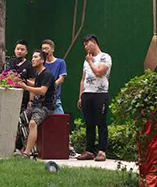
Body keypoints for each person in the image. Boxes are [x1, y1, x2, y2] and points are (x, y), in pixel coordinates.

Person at [76, 34, 112, 162]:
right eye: (84, 45)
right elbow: (83, 79)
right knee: (89, 123)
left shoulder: (105, 57)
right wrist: (81, 96)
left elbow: (99, 72)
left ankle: (102, 151)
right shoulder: (86, 60)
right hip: (87, 94)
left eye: (87, 44)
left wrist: (90, 62)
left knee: (101, 123)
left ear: (94, 42)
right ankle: (89, 151)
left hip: (100, 94)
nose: (86, 47)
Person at [16, 49, 56, 158]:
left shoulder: (47, 74)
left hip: (45, 107)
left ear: (42, 60)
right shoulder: (39, 74)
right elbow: (35, 85)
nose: (33, 59)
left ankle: (27, 152)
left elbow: (42, 90)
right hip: (35, 105)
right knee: (19, 119)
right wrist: (23, 81)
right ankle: (22, 148)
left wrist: (25, 87)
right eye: (32, 57)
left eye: (35, 57)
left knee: (33, 123)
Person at [41, 38, 75, 157]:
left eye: (47, 48)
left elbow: (61, 78)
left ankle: (68, 146)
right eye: (43, 49)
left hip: (55, 99)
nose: (45, 51)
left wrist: (51, 85)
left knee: (61, 123)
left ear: (52, 49)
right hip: (41, 100)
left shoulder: (60, 62)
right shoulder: (41, 64)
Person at [6, 39, 34, 111]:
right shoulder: (8, 63)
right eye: (18, 49)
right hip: (8, 96)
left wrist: (31, 101)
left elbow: (32, 84)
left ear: (26, 52)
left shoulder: (29, 65)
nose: (19, 51)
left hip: (23, 98)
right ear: (14, 50)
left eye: (22, 49)